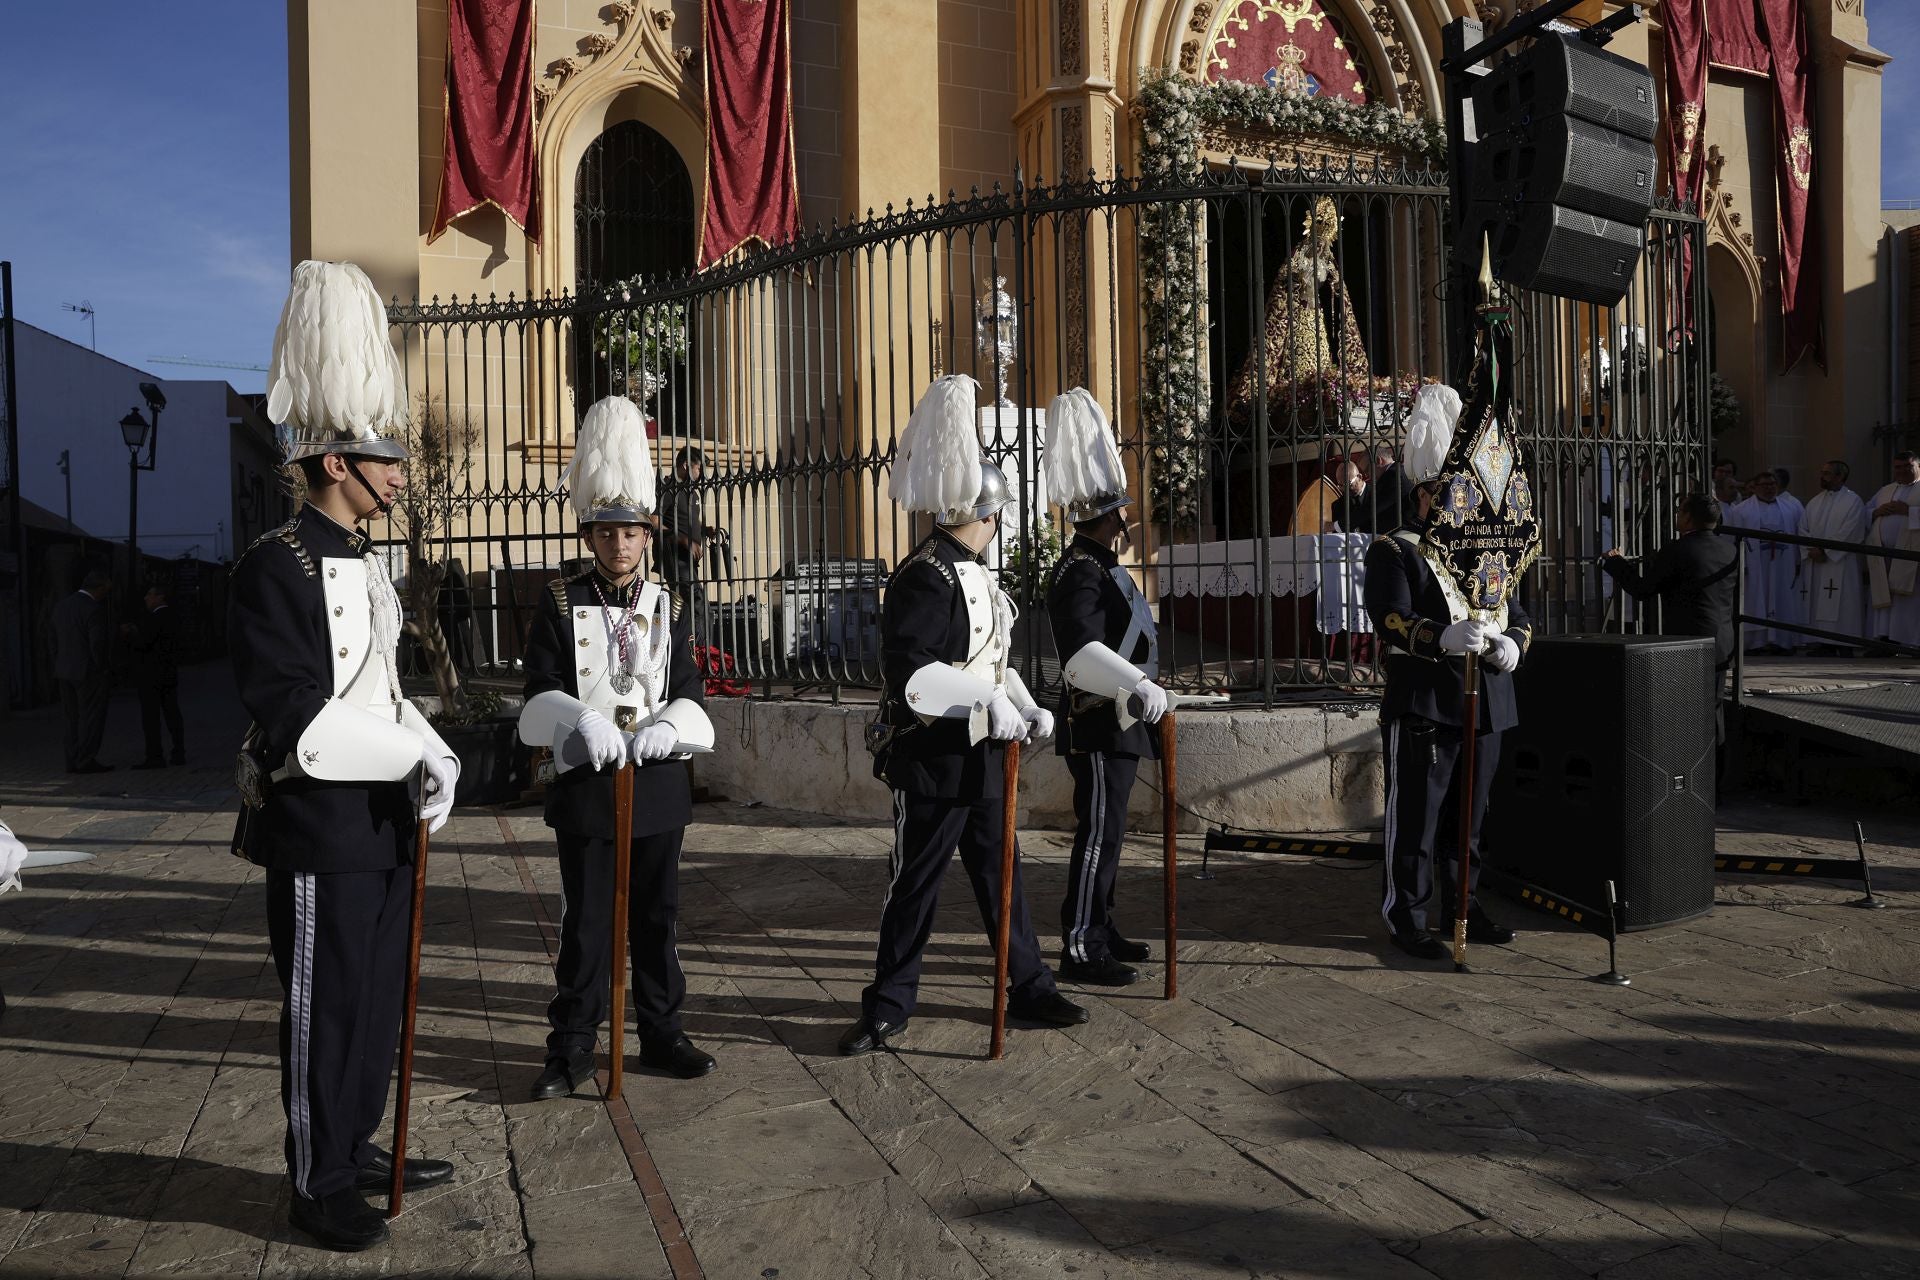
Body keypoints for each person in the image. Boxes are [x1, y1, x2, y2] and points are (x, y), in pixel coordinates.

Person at [230, 261, 461, 1252]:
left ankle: (357, 1139)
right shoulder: (272, 566)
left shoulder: (370, 563)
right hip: (320, 821)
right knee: (324, 1006)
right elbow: (292, 712)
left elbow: (382, 688)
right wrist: (406, 748)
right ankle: (316, 1178)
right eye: (384, 456)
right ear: (335, 462)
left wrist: (428, 742)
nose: (400, 471)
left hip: (381, 820)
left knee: (372, 1000)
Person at [840, 375, 1085, 1055]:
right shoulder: (925, 574)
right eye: (996, 518)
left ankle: (1028, 985)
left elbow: (991, 662)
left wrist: (1024, 704)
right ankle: (888, 1005)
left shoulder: (975, 572)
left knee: (1001, 874)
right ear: (985, 515)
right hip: (933, 757)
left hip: (982, 755)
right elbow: (914, 672)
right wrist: (988, 702)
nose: (998, 528)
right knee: (915, 882)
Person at [519, 396, 717, 1099]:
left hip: (657, 783)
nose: (619, 546)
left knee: (657, 920)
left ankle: (663, 1035)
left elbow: (690, 686)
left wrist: (672, 724)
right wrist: (579, 718)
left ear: (646, 534)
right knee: (587, 925)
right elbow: (537, 692)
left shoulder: (671, 603)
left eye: (630, 533)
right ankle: (570, 1049)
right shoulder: (559, 600)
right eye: (606, 533)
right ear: (590, 533)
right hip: (587, 782)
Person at [1362, 383, 1525, 961]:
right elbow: (1389, 619)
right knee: (1418, 820)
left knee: (1470, 821)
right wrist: (1441, 636)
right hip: (1427, 701)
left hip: (1487, 702)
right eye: (1447, 491)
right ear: (1426, 493)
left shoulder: (1489, 552)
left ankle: (1465, 903)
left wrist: (1512, 644)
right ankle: (1406, 914)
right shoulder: (1395, 548)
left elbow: (1519, 613)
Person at [1042, 388, 1170, 986]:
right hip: (1097, 721)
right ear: (1106, 516)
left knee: (1112, 833)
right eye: (1121, 514)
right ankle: (1081, 944)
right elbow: (1080, 655)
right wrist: (1137, 683)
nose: (1127, 522)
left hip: (1121, 722)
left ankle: (1102, 924)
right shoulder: (1078, 573)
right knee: (1098, 836)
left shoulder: (1099, 566)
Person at [1602, 494, 1739, 669]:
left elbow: (1643, 589)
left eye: (1679, 511)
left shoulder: (1676, 550)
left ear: (1688, 517)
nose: (1677, 515)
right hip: (1723, 642)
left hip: (1688, 642)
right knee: (1714, 695)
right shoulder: (1730, 550)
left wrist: (1616, 561)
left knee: (1685, 695)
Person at [1726, 470, 1804, 653]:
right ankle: (1756, 643)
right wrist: (1739, 563)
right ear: (1755, 487)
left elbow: (1801, 535)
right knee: (1755, 600)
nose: (1769, 488)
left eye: (1773, 485)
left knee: (1782, 598)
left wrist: (1799, 561)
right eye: (1765, 485)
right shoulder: (1741, 511)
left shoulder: (1791, 508)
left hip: (1783, 564)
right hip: (1755, 565)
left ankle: (1783, 642)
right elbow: (1730, 540)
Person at [1797, 461, 1869, 653]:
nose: (1822, 476)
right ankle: (1820, 642)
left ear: (1840, 477)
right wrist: (1809, 549)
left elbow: (1851, 530)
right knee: (1817, 601)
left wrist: (1826, 551)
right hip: (1815, 561)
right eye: (1822, 472)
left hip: (1841, 563)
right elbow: (1803, 528)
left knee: (1842, 602)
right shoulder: (1815, 501)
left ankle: (1843, 644)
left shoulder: (1853, 501)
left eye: (1827, 473)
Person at [52, 568, 113, 774]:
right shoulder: (93, 609)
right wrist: (102, 668)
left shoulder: (62, 606)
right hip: (87, 671)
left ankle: (72, 759)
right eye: (106, 589)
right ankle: (85, 759)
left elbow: (52, 640)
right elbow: (97, 643)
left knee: (70, 717)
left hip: (64, 669)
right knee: (90, 716)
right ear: (100, 587)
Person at [126, 583, 186, 767]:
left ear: (160, 597)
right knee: (172, 714)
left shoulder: (155, 618)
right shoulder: (174, 617)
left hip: (151, 676)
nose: (146, 598)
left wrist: (132, 634)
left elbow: (144, 642)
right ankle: (178, 752)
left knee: (151, 717)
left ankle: (154, 756)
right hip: (168, 673)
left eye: (150, 594)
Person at [1867, 451, 1920, 645]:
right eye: (1898, 467)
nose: (1903, 470)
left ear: (1917, 466)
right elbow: (1865, 512)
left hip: (1911, 557)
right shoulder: (1885, 491)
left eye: (1908, 466)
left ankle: (1911, 642)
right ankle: (1885, 640)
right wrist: (1876, 512)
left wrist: (1909, 511)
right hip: (1884, 555)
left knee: (1910, 602)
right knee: (1886, 598)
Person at [1329, 447, 1416, 536]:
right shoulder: (1398, 471)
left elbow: (1371, 508)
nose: (1368, 476)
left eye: (1367, 470)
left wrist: (1336, 525)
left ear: (1378, 461)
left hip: (1404, 536)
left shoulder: (1393, 476)